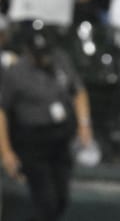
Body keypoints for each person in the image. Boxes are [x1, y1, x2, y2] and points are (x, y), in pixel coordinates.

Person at [0, 31, 94, 221]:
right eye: (38, 54)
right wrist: (6, 151)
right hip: (32, 141)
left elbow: (78, 91)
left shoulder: (60, 60)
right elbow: (2, 111)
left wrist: (84, 124)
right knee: (46, 201)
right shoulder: (15, 72)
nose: (44, 58)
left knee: (62, 198)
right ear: (28, 51)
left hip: (59, 138)